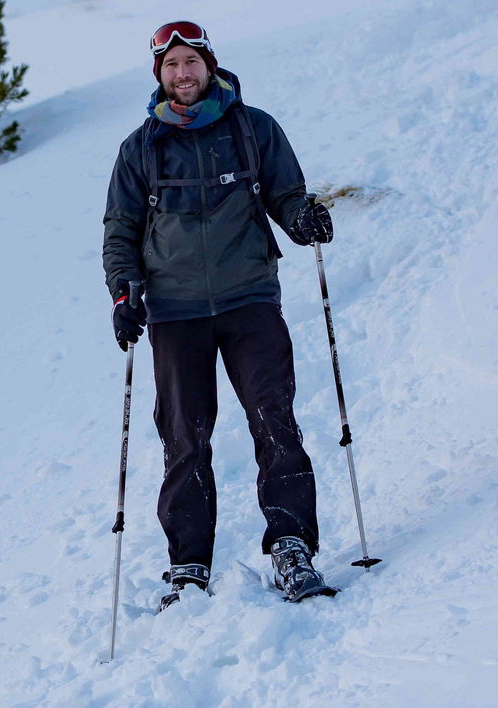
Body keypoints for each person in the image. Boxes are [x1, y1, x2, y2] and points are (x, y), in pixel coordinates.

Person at [101, 20, 336, 611]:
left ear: (210, 65)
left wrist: (303, 217)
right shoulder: (140, 148)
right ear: (160, 75)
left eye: (191, 62)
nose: (183, 74)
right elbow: (120, 229)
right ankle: (187, 566)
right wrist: (123, 292)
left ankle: (290, 546)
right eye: (171, 65)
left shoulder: (254, 129)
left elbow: (285, 193)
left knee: (274, 420)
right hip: (175, 311)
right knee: (184, 439)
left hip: (249, 296)